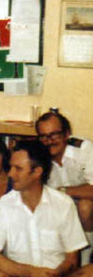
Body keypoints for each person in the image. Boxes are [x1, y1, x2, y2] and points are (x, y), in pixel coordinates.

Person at [0, 140, 93, 277]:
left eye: (18, 169)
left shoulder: (63, 203)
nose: (10, 173)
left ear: (37, 172)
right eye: (11, 167)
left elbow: (72, 259)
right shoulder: (5, 204)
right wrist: (31, 272)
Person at [36, 111, 93, 266]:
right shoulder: (39, 157)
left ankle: (85, 261)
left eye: (54, 135)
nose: (49, 141)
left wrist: (63, 191)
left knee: (85, 206)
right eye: (43, 137)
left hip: (87, 210)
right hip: (60, 209)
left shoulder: (84, 149)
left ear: (67, 134)